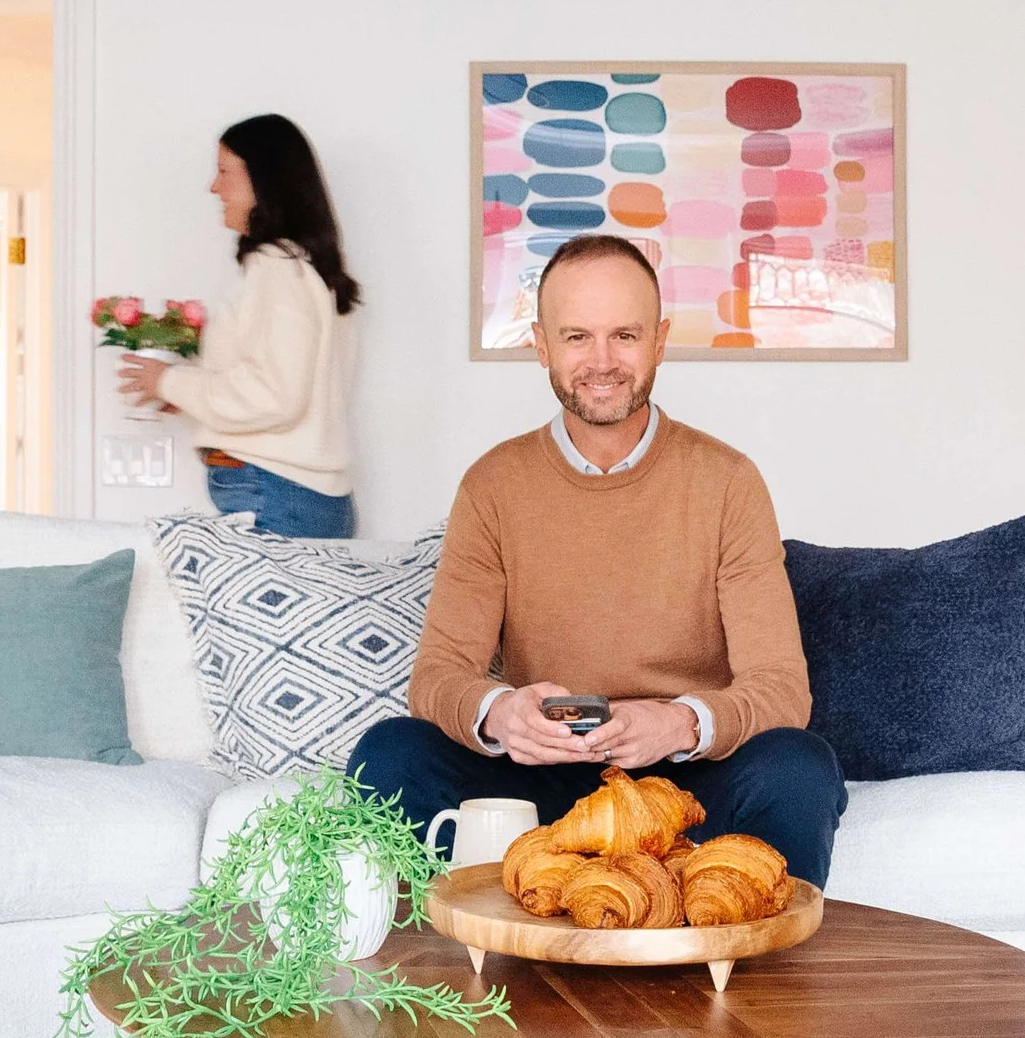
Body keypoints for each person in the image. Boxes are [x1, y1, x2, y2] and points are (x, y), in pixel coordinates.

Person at [347, 233, 847, 885]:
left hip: (685, 782)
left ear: (660, 340)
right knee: (388, 755)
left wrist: (678, 723)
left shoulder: (728, 482)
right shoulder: (492, 486)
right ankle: (448, 973)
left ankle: (753, 978)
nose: (602, 361)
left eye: (626, 336)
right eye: (577, 336)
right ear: (541, 344)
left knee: (798, 766)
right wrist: (500, 713)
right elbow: (438, 677)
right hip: (540, 781)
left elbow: (781, 689)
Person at [117, 114, 361, 538]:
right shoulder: (306, 268)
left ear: (263, 179)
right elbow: (286, 385)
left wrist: (170, 382)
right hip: (292, 492)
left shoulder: (277, 268)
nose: (215, 187)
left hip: (274, 492)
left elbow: (276, 395)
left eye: (225, 171)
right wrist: (195, 394)